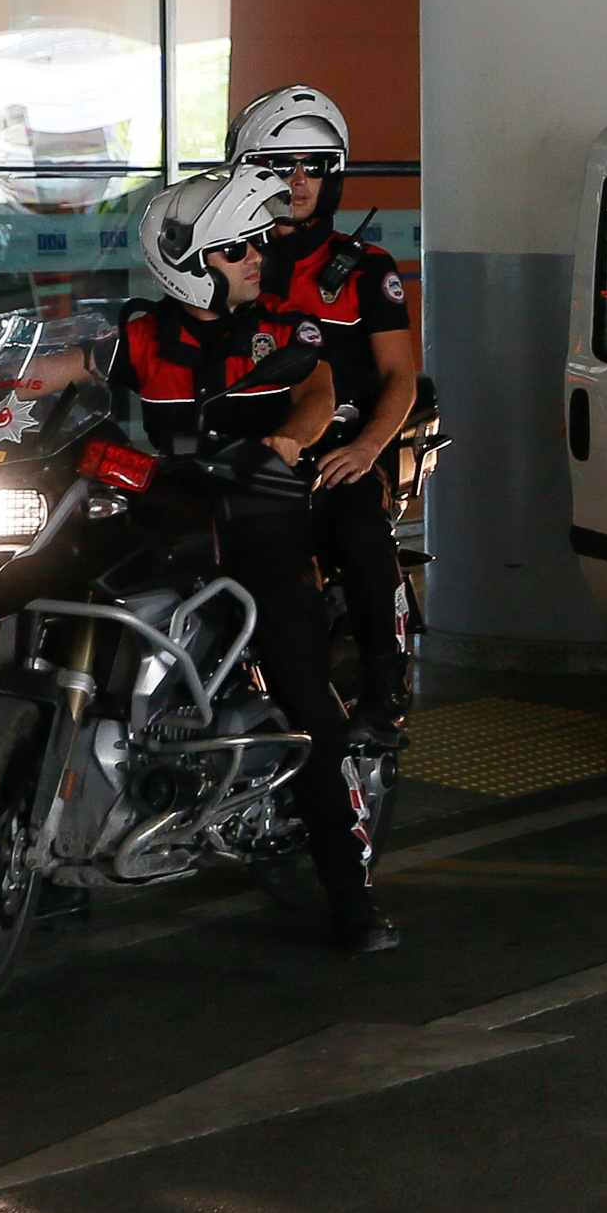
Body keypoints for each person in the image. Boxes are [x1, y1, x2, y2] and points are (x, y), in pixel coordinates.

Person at [122, 165, 396, 952]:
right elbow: (57, 371)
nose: (257, 257)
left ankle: (349, 892)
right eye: (238, 248)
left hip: (262, 523)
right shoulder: (139, 336)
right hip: (170, 530)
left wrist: (289, 439)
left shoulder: (284, 326)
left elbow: (315, 391)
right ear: (193, 263)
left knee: (307, 701)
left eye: (254, 246)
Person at [230, 84, 420, 744]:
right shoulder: (226, 259)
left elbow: (399, 376)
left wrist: (366, 449)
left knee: (363, 536)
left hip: (338, 452)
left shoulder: (365, 269)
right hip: (244, 451)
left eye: (314, 166)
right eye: (282, 165)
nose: (299, 180)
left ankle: (384, 685)